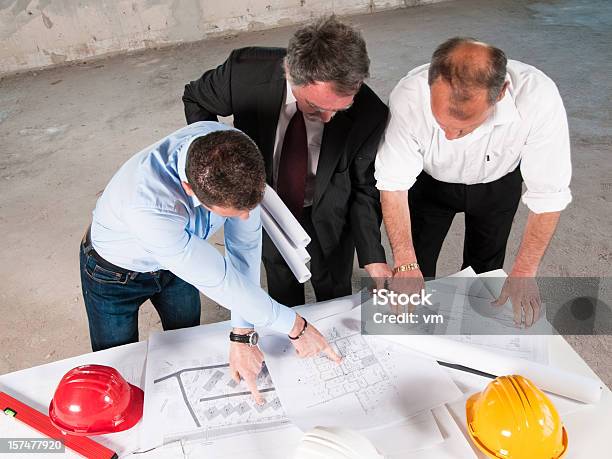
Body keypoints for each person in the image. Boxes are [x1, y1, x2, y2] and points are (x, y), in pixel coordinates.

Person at [80, 121, 340, 402]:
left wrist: (242, 334)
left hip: (177, 263)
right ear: (189, 189)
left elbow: (244, 248)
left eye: (249, 208)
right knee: (116, 370)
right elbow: (222, 281)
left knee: (188, 344)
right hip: (115, 275)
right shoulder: (149, 207)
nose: (245, 218)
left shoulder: (236, 150)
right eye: (233, 212)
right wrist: (296, 327)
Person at [182, 16, 391, 308]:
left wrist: (373, 257)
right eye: (317, 107)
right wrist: (218, 158)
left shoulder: (371, 113)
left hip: (331, 214)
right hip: (268, 205)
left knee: (334, 289)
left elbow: (364, 189)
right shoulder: (243, 72)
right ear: (290, 72)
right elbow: (196, 98)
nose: (329, 118)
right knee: (281, 283)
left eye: (341, 108)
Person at [375, 37, 572, 327]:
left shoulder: (539, 97)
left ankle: (475, 332)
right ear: (430, 84)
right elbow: (393, 184)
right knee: (417, 267)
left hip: (498, 186)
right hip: (429, 185)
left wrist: (524, 271)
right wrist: (405, 262)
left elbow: (549, 194)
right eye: (441, 123)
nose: (451, 137)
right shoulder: (409, 94)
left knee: (485, 273)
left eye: (465, 126)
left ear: (501, 93)